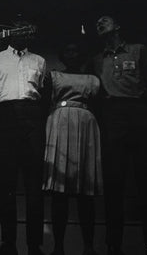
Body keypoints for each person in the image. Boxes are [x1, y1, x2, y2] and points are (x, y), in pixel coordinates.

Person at [92, 16, 147, 255]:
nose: (99, 23)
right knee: (114, 183)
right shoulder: (97, 60)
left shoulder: (138, 50)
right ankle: (113, 245)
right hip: (113, 116)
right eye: (97, 22)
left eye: (105, 20)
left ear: (118, 26)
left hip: (139, 112)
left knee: (146, 180)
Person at [0, 17, 47, 255]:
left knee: (33, 185)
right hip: (6, 116)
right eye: (18, 29)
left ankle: (34, 245)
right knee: (6, 184)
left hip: (32, 116)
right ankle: (8, 243)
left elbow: (45, 94)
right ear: (11, 32)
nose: (23, 33)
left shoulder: (39, 60)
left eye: (27, 30)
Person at [43, 39, 103, 255]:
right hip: (60, 123)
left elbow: (99, 106)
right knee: (60, 193)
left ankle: (88, 247)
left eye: (75, 49)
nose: (72, 53)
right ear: (62, 54)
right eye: (67, 49)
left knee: (85, 192)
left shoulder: (93, 79)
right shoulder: (54, 76)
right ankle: (58, 247)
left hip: (85, 126)